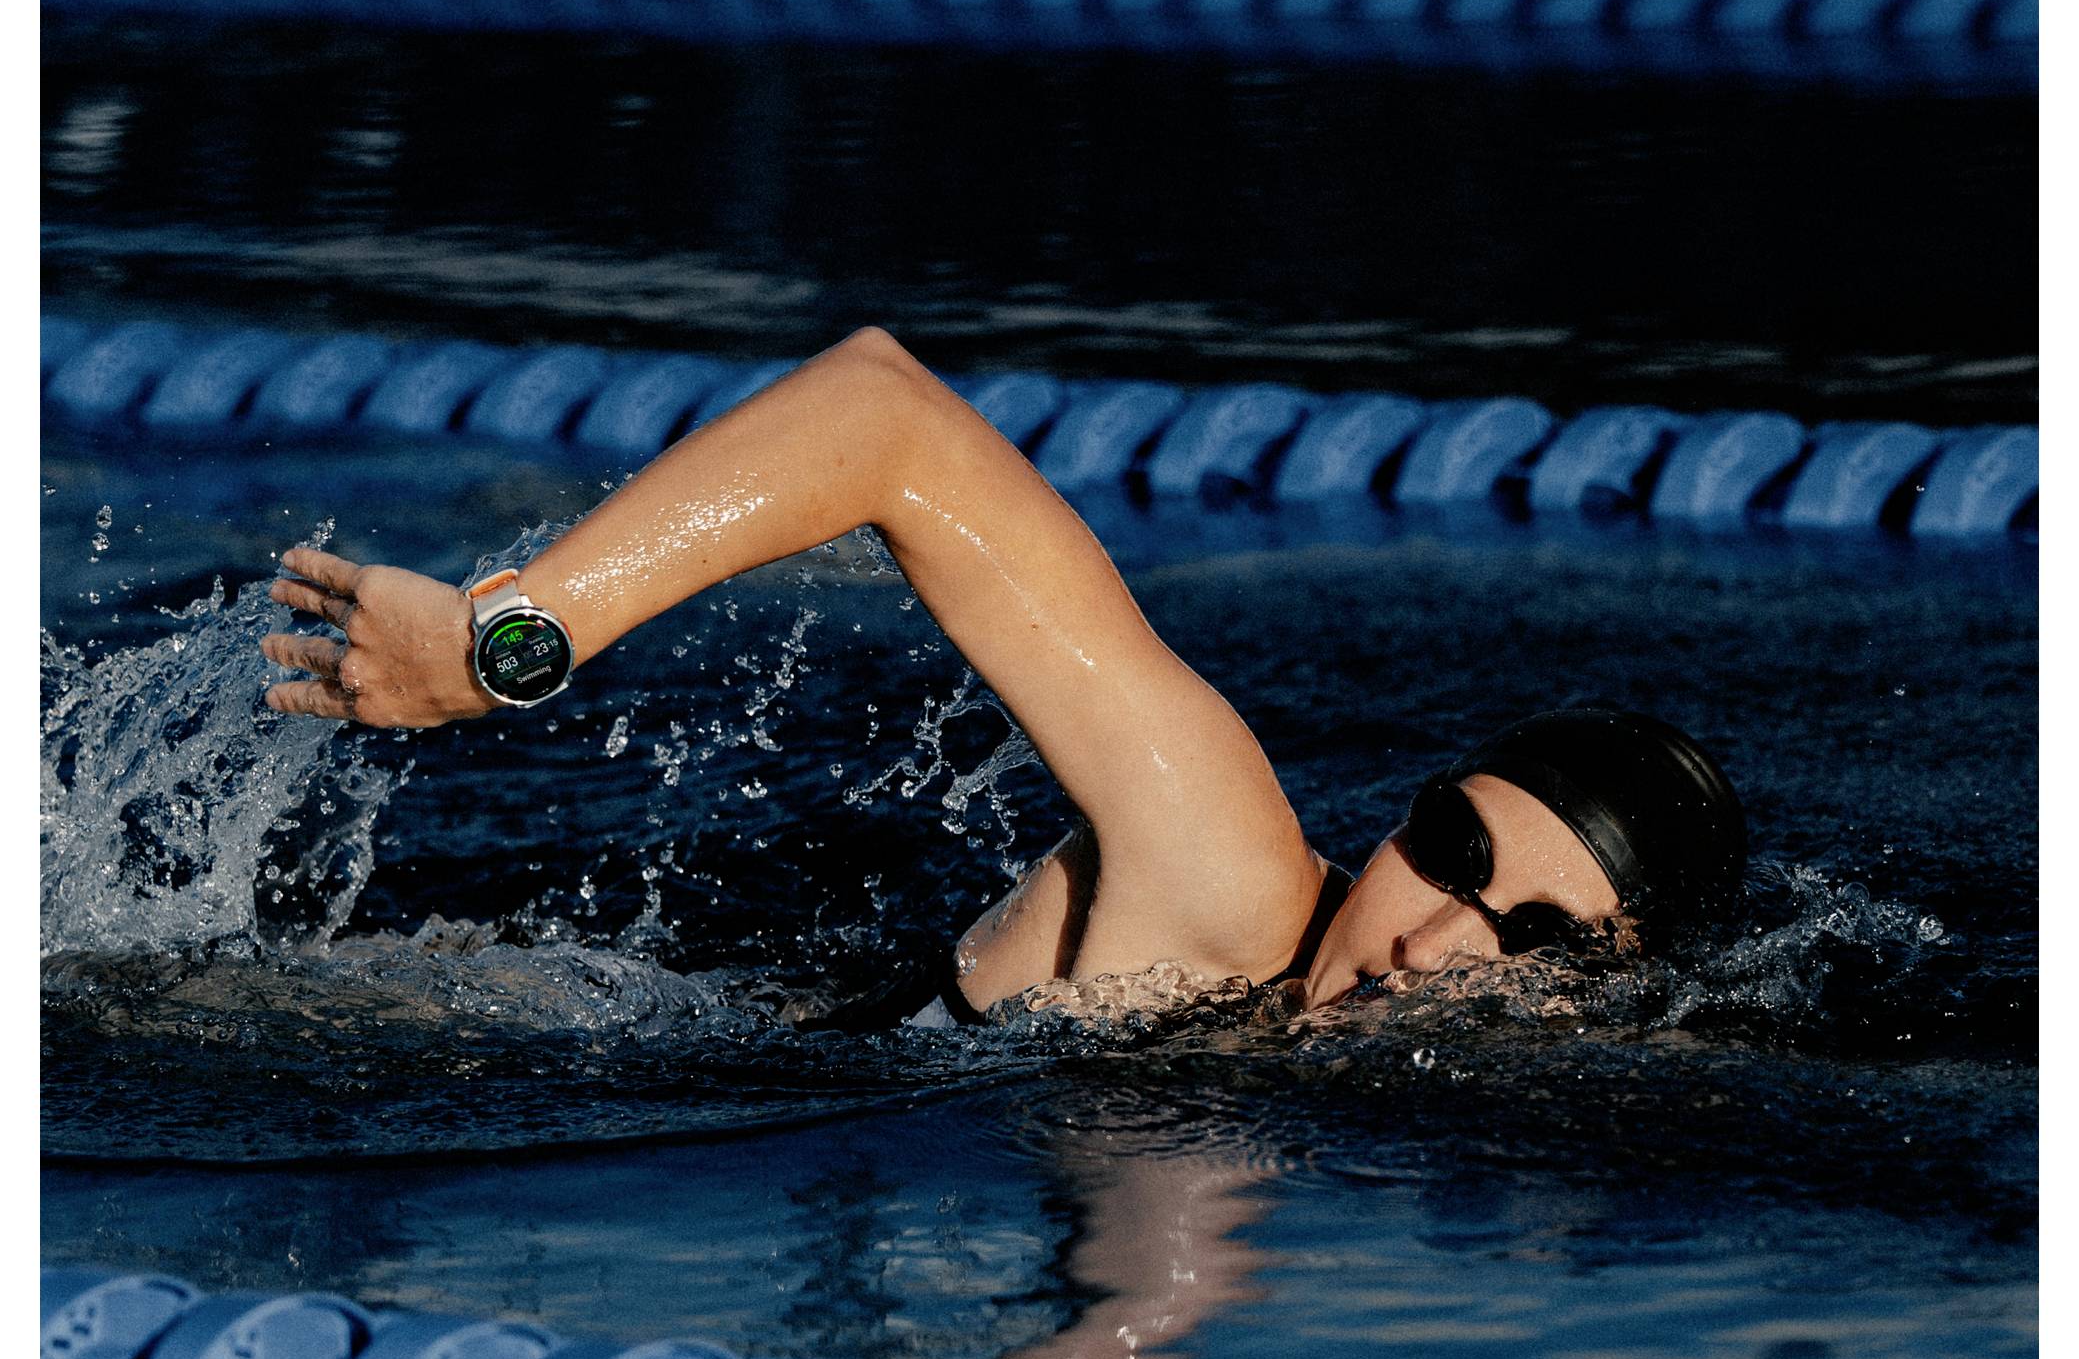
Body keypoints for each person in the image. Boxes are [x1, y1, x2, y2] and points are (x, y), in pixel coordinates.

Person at [260, 326, 1745, 1024]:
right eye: (1452, 849)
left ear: (1603, 999)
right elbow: (884, 417)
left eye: (1530, 935)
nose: (1428, 940)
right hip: (489, 1030)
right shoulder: (1230, 869)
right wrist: (513, 642)